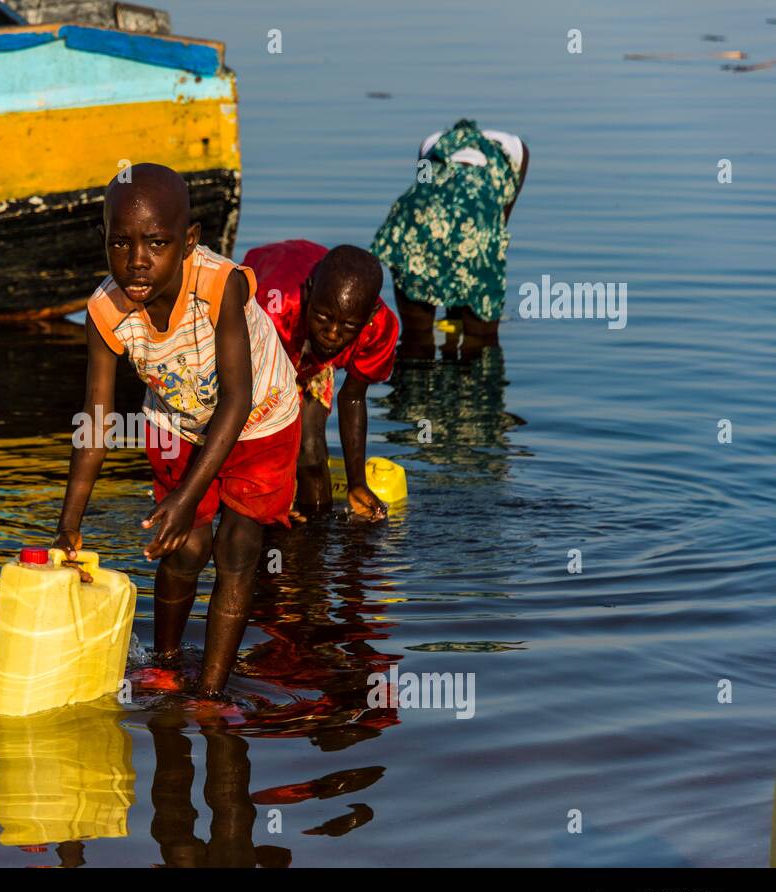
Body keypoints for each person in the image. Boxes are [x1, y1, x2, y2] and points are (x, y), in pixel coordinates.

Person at [53, 163, 300, 698]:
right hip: (178, 422)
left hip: (259, 418)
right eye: (121, 242)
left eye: (157, 243)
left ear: (188, 242)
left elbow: (237, 400)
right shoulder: (105, 310)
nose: (137, 260)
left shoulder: (218, 286)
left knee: (237, 547)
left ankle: (211, 692)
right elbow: (95, 422)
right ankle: (164, 666)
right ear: (103, 240)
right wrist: (68, 524)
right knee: (183, 546)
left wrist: (188, 495)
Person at [241, 241, 398, 521]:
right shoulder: (274, 308)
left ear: (369, 316)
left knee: (311, 453)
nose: (333, 334)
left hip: (305, 339)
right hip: (272, 340)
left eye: (348, 326)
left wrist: (357, 483)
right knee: (268, 456)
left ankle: (316, 534)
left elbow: (352, 397)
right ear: (309, 293)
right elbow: (258, 397)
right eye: (323, 318)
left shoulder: (380, 328)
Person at [370, 119, 529, 357]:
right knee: (481, 341)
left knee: (416, 337)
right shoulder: (516, 151)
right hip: (474, 227)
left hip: (413, 225)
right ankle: (475, 385)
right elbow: (498, 221)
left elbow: (424, 190)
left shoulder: (431, 143)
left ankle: (416, 385)